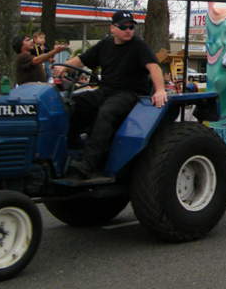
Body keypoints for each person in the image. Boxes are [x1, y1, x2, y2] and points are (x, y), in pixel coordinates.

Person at [53, 10, 166, 178]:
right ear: (113, 28)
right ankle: (66, 153)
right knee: (69, 104)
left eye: (131, 27)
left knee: (106, 113)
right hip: (105, 91)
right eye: (124, 27)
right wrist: (63, 66)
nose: (128, 30)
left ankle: (88, 163)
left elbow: (153, 67)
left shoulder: (139, 46)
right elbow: (81, 60)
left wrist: (160, 90)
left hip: (130, 93)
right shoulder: (105, 45)